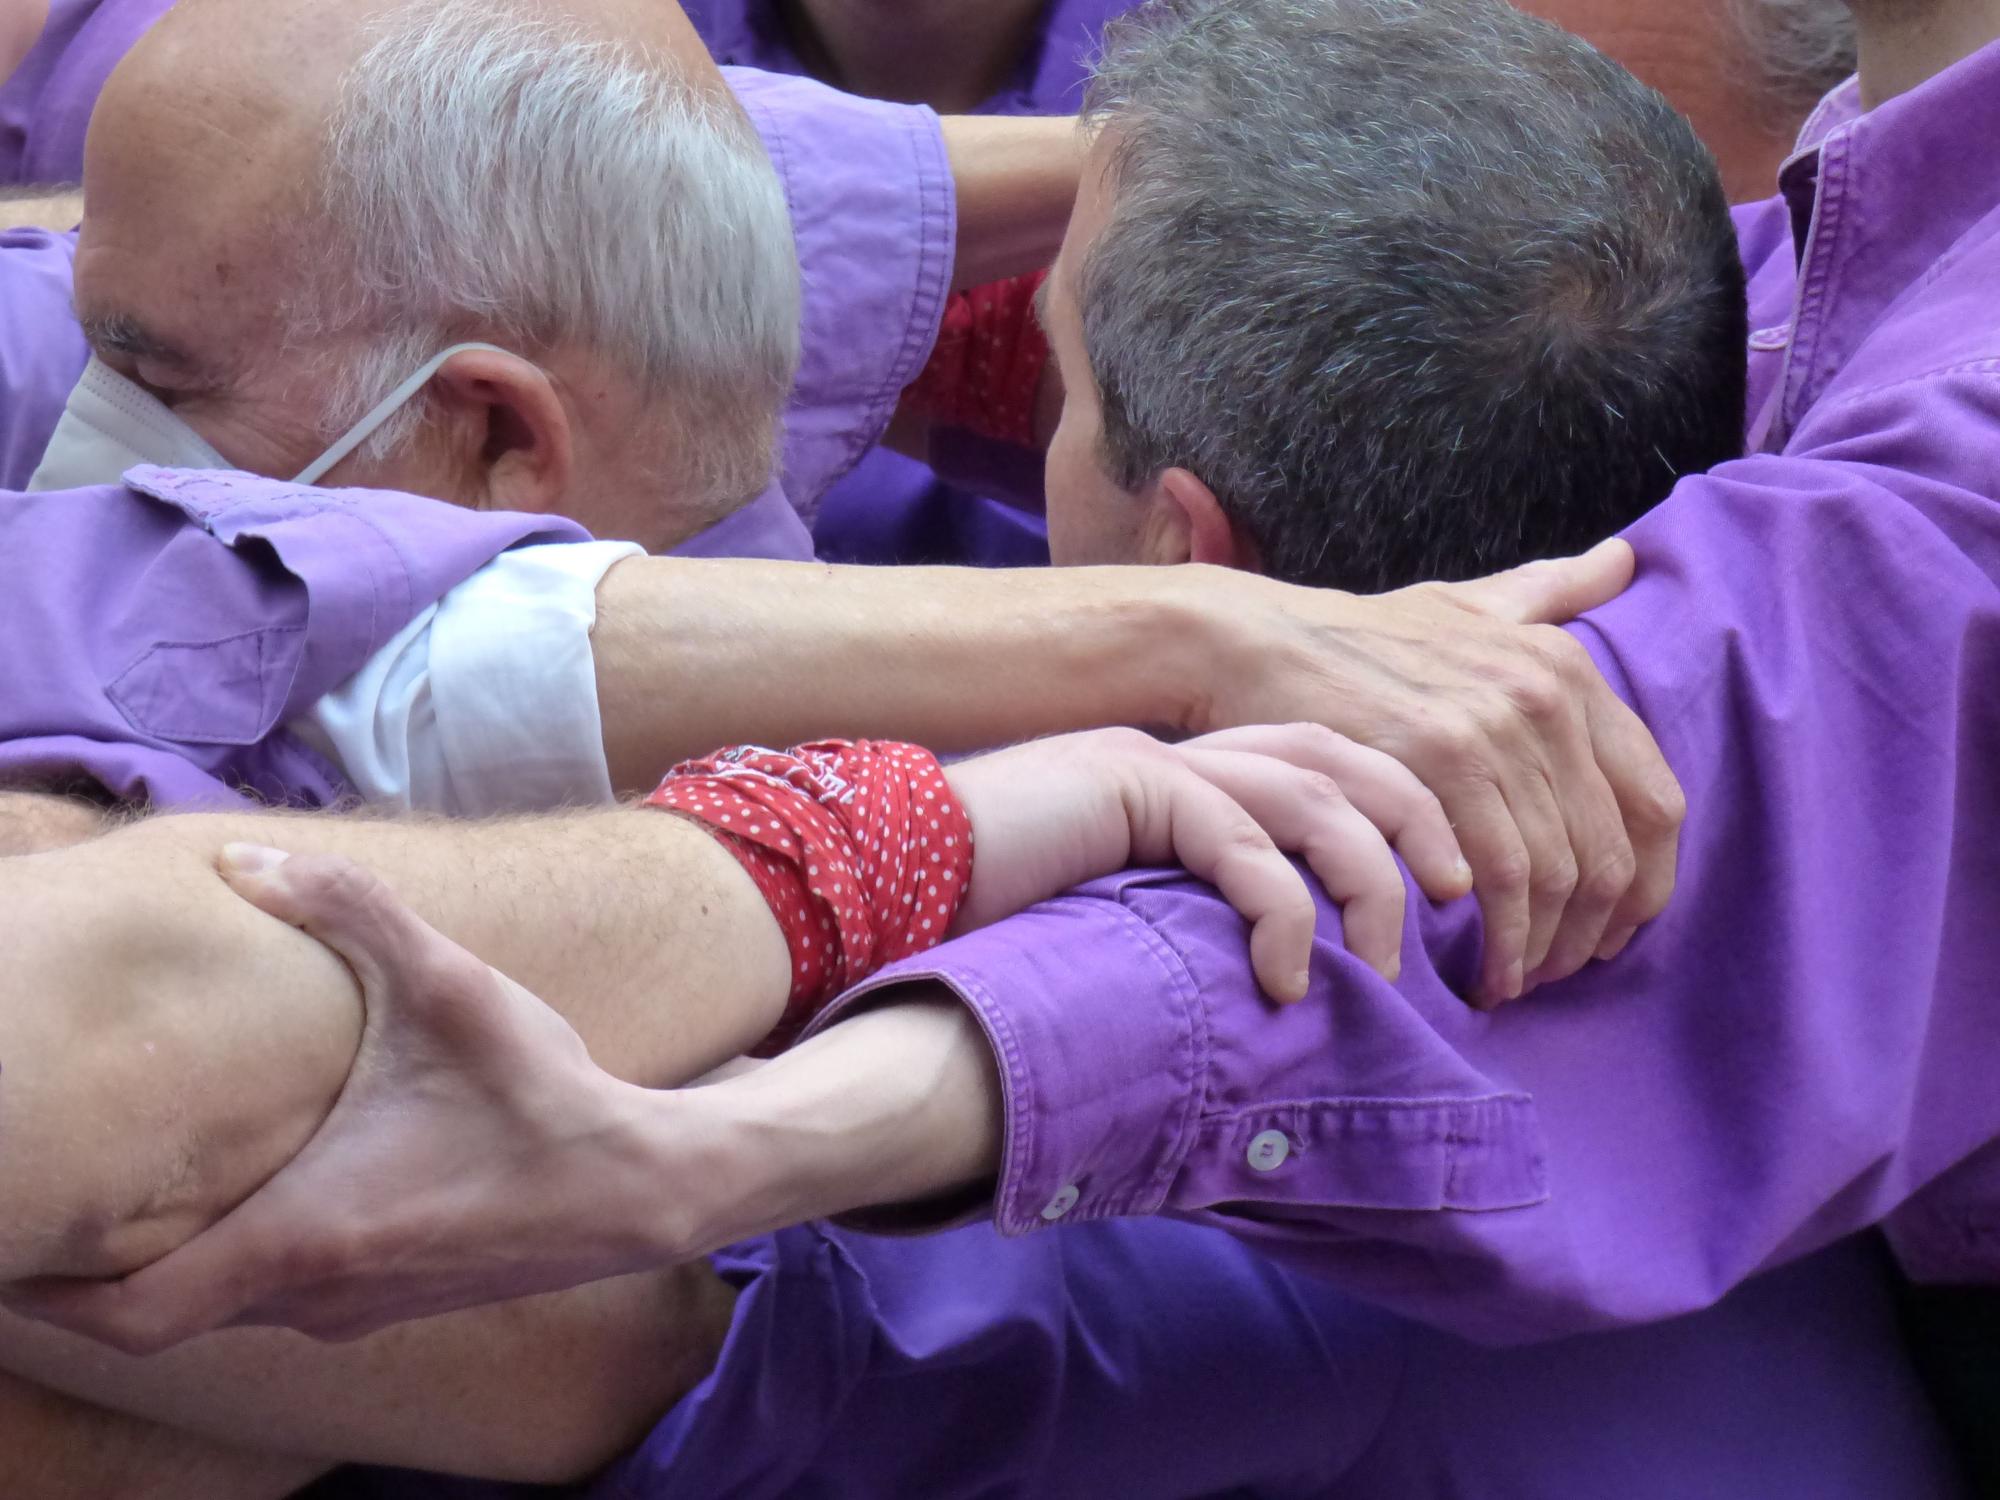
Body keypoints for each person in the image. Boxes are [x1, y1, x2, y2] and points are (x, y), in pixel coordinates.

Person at [35, 0, 2000, 1485]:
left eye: (1031, 368)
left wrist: (897, 837)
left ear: (1187, 538)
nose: (955, 398)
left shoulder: (1273, 1178)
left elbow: (129, 1102)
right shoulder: (1756, 559)